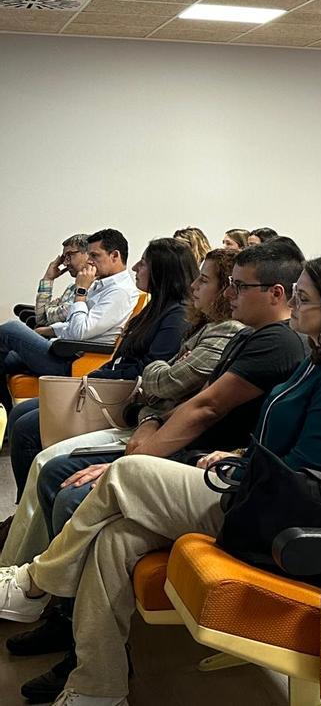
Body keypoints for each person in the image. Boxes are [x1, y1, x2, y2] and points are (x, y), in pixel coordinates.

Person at [0, 253, 321, 706]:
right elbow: (283, 447)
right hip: (255, 493)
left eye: (304, 300)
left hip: (274, 518)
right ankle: (96, 688)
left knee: (128, 471)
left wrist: (240, 465)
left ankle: (35, 583)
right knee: (115, 538)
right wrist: (239, 454)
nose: (296, 308)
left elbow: (308, 471)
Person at [1, 249, 244, 695]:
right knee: (56, 468)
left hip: (195, 454)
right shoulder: (198, 323)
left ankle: (34, 584)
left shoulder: (244, 336)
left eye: (217, 282)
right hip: (155, 423)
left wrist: (150, 413)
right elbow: (165, 386)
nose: (205, 288)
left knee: (68, 479)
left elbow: (176, 389)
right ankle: (63, 623)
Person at [8, 239, 196, 501]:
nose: (136, 268)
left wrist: (81, 294)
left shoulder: (173, 315)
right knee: (20, 410)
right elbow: (49, 319)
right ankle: (22, 512)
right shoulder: (154, 307)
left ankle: (26, 509)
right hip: (99, 374)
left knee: (27, 424)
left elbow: (145, 370)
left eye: (144, 263)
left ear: (161, 271)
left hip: (111, 386)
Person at [0, 230, 139, 411]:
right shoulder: (101, 284)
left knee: (10, 329)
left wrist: (81, 291)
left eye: (95, 256)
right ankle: (6, 423)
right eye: (89, 255)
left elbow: (80, 332)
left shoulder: (119, 292)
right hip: (64, 348)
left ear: (115, 256)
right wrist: (50, 330)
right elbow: (74, 324)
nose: (90, 261)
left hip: (76, 360)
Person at [30, 235, 90, 329]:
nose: (65, 263)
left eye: (70, 255)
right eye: (64, 257)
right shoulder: (72, 287)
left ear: (89, 254)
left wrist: (50, 310)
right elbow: (41, 319)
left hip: (65, 343)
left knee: (9, 329)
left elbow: (54, 316)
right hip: (52, 340)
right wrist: (48, 279)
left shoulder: (93, 287)